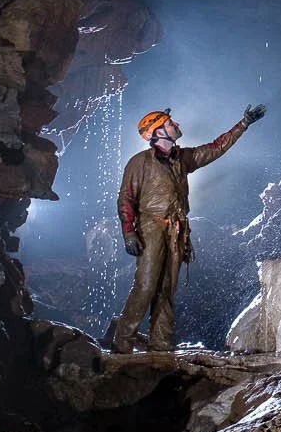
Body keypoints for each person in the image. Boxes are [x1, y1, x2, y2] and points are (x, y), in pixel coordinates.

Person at [109, 102, 265, 353]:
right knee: (147, 285)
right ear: (157, 132)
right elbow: (126, 197)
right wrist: (128, 231)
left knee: (167, 288)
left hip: (176, 229)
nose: (176, 124)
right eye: (170, 123)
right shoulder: (140, 163)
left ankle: (160, 343)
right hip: (151, 227)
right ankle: (122, 341)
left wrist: (243, 124)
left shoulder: (182, 158)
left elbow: (215, 148)